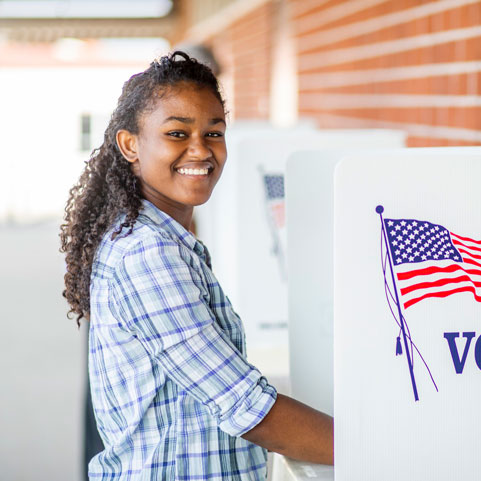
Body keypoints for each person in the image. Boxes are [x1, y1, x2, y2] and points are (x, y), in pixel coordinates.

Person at [60, 51, 333, 480]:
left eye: (213, 132)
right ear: (130, 144)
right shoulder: (147, 255)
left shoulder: (166, 238)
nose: (200, 150)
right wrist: (370, 443)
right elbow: (247, 407)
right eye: (176, 133)